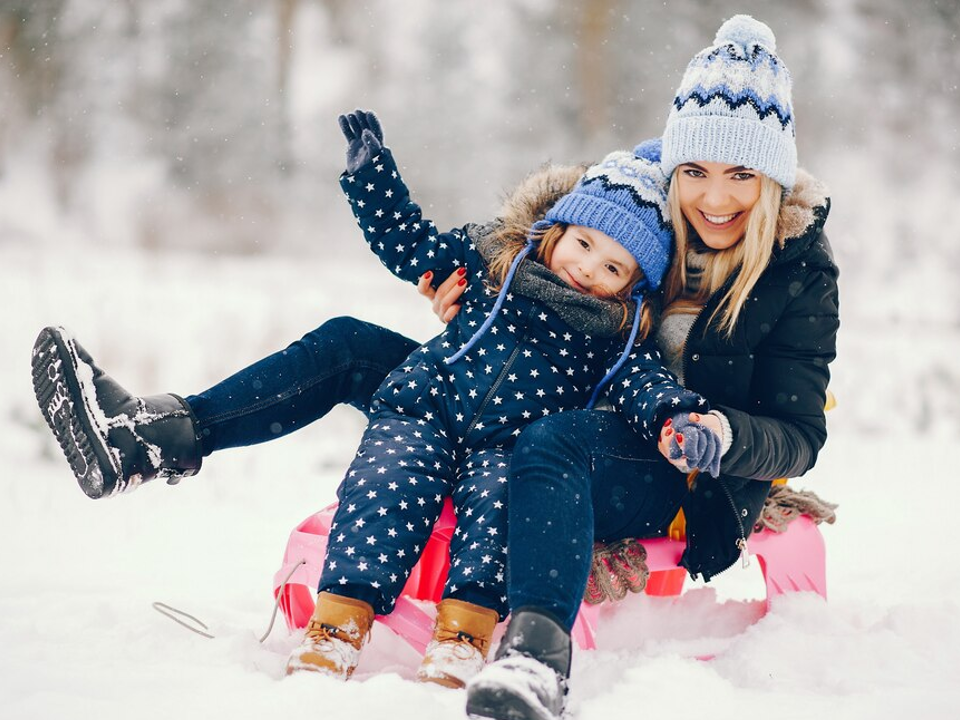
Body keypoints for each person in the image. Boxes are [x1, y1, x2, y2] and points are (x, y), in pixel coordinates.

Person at [31, 111, 720, 686]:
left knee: (497, 506)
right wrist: (372, 178)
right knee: (379, 465)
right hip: (426, 404)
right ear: (557, 229)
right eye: (583, 245)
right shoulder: (494, 262)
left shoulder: (616, 336)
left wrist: (676, 419)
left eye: (612, 268)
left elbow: (645, 387)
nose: (586, 269)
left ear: (632, 284)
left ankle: (464, 634)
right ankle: (162, 445)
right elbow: (409, 244)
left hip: (515, 446)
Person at [460, 15, 840, 720]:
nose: (716, 198)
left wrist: (722, 434)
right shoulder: (647, 220)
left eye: (741, 175)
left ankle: (534, 660)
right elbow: (538, 253)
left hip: (686, 471)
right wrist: (475, 291)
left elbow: (799, 433)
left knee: (553, 445)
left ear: (772, 176)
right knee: (367, 354)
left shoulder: (798, 272)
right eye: (694, 171)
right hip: (559, 404)